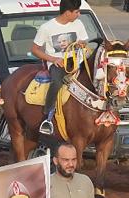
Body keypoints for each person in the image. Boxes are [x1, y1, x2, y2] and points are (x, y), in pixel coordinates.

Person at [31, 0, 89, 135]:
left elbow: (84, 40)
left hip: (78, 61)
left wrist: (82, 43)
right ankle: (47, 117)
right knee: (56, 83)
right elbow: (35, 49)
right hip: (59, 63)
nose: (79, 14)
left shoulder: (78, 24)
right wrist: (53, 59)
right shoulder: (47, 28)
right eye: (76, 12)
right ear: (68, 12)